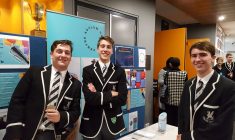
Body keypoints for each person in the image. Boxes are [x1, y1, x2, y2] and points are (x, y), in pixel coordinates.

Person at [3, 40, 81, 140]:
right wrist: (15, 130)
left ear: (70, 58)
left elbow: (75, 112)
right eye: (59, 51)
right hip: (25, 131)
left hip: (53, 134)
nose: (63, 55)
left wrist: (60, 117)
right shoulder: (34, 73)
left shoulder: (75, 84)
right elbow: (17, 101)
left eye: (67, 52)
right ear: (51, 54)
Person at [178, 41, 235, 140]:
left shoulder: (229, 87)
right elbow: (182, 114)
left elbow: (223, 126)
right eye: (194, 56)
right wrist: (181, 134)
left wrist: (189, 137)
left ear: (213, 58)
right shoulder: (188, 84)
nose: (197, 59)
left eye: (203, 55)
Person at [79, 36, 128, 139]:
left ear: (112, 51)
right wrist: (111, 94)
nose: (105, 49)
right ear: (98, 49)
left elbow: (123, 98)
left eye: (108, 47)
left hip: (112, 121)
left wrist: (99, 98)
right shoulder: (88, 71)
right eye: (102, 46)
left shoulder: (119, 71)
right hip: (91, 122)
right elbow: (89, 98)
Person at [162, 57, 187, 126]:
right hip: (180, 101)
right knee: (178, 120)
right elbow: (186, 86)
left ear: (170, 64)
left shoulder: (166, 74)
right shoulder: (184, 74)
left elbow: (164, 85)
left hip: (169, 100)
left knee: (169, 120)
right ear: (179, 64)